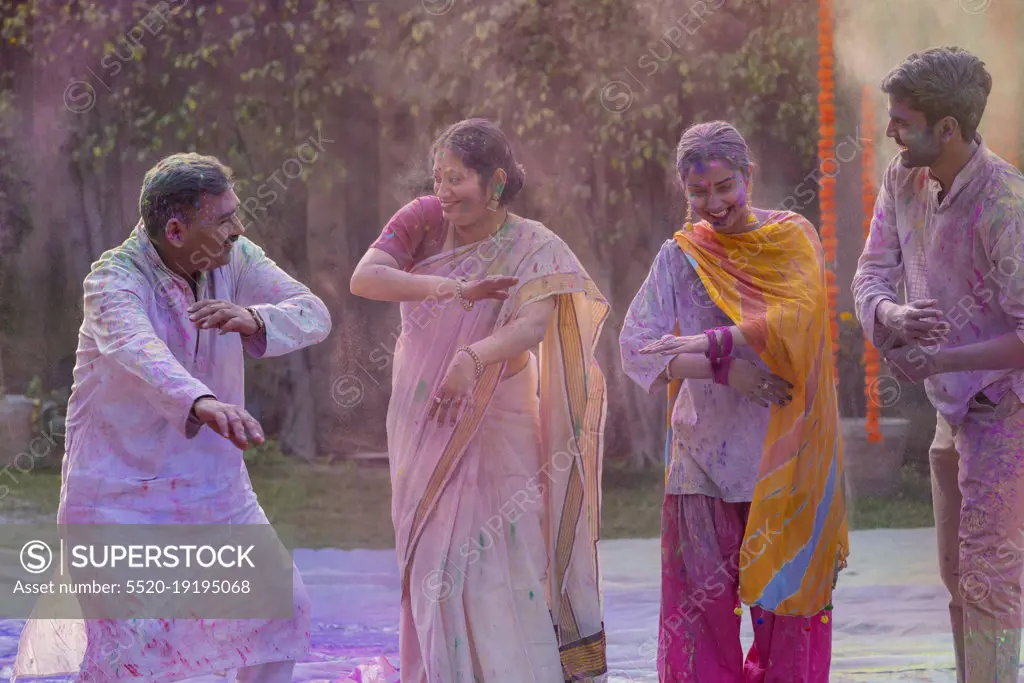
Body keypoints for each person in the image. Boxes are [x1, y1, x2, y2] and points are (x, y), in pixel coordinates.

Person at [13, 153, 332, 682]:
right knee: (135, 657)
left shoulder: (237, 257)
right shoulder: (113, 280)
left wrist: (254, 317)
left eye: (236, 214)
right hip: (120, 497)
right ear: (177, 229)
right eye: (224, 219)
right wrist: (203, 403)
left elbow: (312, 312)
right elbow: (139, 350)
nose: (239, 228)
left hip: (214, 488)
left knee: (282, 610)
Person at [350, 118, 609, 682]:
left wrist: (472, 358)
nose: (444, 192)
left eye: (457, 179)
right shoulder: (423, 219)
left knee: (506, 552)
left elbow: (534, 324)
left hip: (502, 417)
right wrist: (448, 288)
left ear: (495, 181)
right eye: (437, 178)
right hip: (424, 412)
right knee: (433, 560)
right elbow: (366, 278)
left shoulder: (535, 245)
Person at [620, 120, 847, 682]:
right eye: (698, 192)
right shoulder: (681, 257)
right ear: (683, 189)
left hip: (784, 460)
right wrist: (724, 371)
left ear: (750, 177)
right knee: (700, 618)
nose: (713, 203)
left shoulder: (790, 238)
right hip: (702, 461)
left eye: (725, 186)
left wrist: (711, 342)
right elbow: (636, 350)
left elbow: (799, 317)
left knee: (788, 612)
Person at [852, 47, 1024, 683]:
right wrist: (893, 320)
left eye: (902, 120)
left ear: (948, 129)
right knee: (958, 577)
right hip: (950, 415)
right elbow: (871, 273)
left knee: (991, 584)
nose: (891, 131)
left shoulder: (1004, 203)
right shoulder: (904, 178)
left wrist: (940, 357)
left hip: (1007, 415)